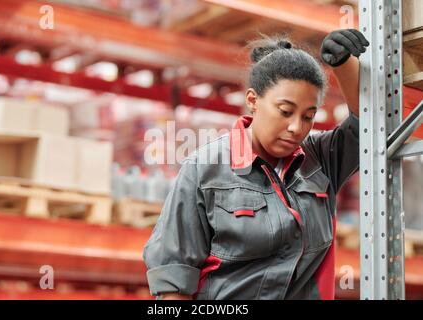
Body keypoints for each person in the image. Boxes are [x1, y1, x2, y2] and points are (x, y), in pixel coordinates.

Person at [143, 29, 369, 300]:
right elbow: (173, 280)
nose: (297, 127)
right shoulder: (205, 169)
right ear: (252, 100)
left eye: (309, 116)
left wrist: (344, 65)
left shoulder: (321, 159)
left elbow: (369, 123)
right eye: (285, 112)